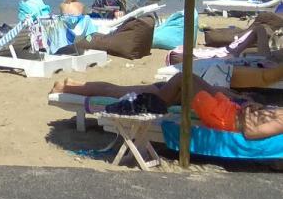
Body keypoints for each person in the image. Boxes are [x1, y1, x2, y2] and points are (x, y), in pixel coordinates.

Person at [51, 73, 283, 139]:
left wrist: (245, 112)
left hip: (220, 113)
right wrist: (250, 103)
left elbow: (252, 131)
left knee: (121, 92)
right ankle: (72, 85)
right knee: (120, 90)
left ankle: (71, 87)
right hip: (222, 104)